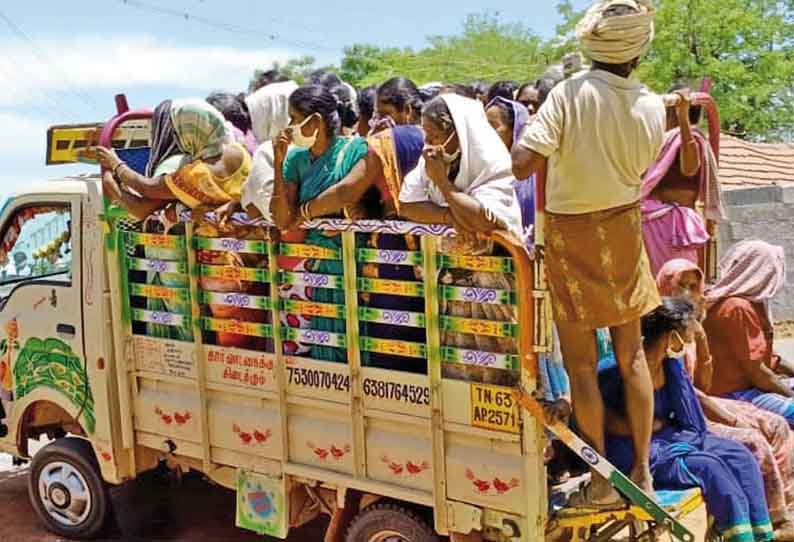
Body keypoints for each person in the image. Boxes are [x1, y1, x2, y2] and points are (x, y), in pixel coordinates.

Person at [511, 0, 665, 502]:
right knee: (632, 357)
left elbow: (521, 163)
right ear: (638, 49)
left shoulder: (568, 94)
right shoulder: (652, 103)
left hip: (570, 233)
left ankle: (600, 479)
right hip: (623, 229)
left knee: (581, 367)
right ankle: (641, 469)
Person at [599, 298, 774, 542]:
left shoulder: (670, 366)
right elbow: (605, 421)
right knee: (710, 468)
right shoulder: (614, 368)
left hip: (669, 438)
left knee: (740, 456)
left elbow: (692, 413)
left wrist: (703, 344)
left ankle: (762, 537)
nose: (689, 343)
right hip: (632, 449)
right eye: (688, 337)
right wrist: (647, 426)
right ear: (672, 337)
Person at [399, 94, 523, 385]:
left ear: (459, 133)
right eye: (426, 135)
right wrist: (451, 216)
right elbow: (408, 204)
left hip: (493, 288)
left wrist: (443, 183)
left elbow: (483, 219)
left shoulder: (493, 165)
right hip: (452, 287)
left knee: (500, 368)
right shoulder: (430, 161)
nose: (429, 145)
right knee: (457, 371)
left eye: (437, 135)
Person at [270, 84, 369, 362]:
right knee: (311, 341)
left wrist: (306, 212)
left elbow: (349, 192)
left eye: (293, 118)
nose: (289, 126)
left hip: (348, 258)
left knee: (349, 332)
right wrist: (278, 164)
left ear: (315, 121)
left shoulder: (354, 149)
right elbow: (282, 219)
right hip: (310, 264)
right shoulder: (296, 159)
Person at [704, 241, 794, 423]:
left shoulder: (748, 304)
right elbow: (759, 374)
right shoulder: (738, 308)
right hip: (734, 392)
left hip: (751, 385)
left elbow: (770, 359)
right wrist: (789, 395)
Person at [641, 85, 726, 275]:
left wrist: (683, 120)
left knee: (679, 284)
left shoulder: (691, 139)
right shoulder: (659, 143)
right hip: (651, 223)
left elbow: (689, 169)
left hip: (675, 229)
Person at [485, 97, 534, 245]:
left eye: (493, 128)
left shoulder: (532, 175)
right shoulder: (483, 170)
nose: (486, 134)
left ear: (515, 130)